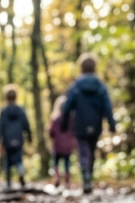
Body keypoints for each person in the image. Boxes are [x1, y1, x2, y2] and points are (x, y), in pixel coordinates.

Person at [61, 53, 115, 194]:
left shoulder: (76, 86)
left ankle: (85, 176)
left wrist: (64, 123)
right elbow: (107, 106)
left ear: (81, 68)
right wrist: (111, 124)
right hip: (95, 124)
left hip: (80, 123)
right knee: (92, 151)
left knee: (83, 151)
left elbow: (67, 106)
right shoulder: (100, 86)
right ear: (95, 68)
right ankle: (89, 176)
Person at [0, 84, 32, 190]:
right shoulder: (21, 110)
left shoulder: (4, 111)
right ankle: (21, 177)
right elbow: (26, 125)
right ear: (16, 96)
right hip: (19, 139)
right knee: (19, 160)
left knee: (7, 161)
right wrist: (29, 137)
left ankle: (9, 182)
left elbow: (0, 126)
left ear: (6, 96)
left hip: (7, 140)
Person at [48, 95, 75, 188]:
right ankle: (67, 178)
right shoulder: (71, 119)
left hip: (57, 146)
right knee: (67, 162)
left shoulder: (55, 119)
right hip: (68, 146)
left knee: (55, 162)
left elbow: (51, 132)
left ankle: (57, 176)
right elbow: (73, 132)